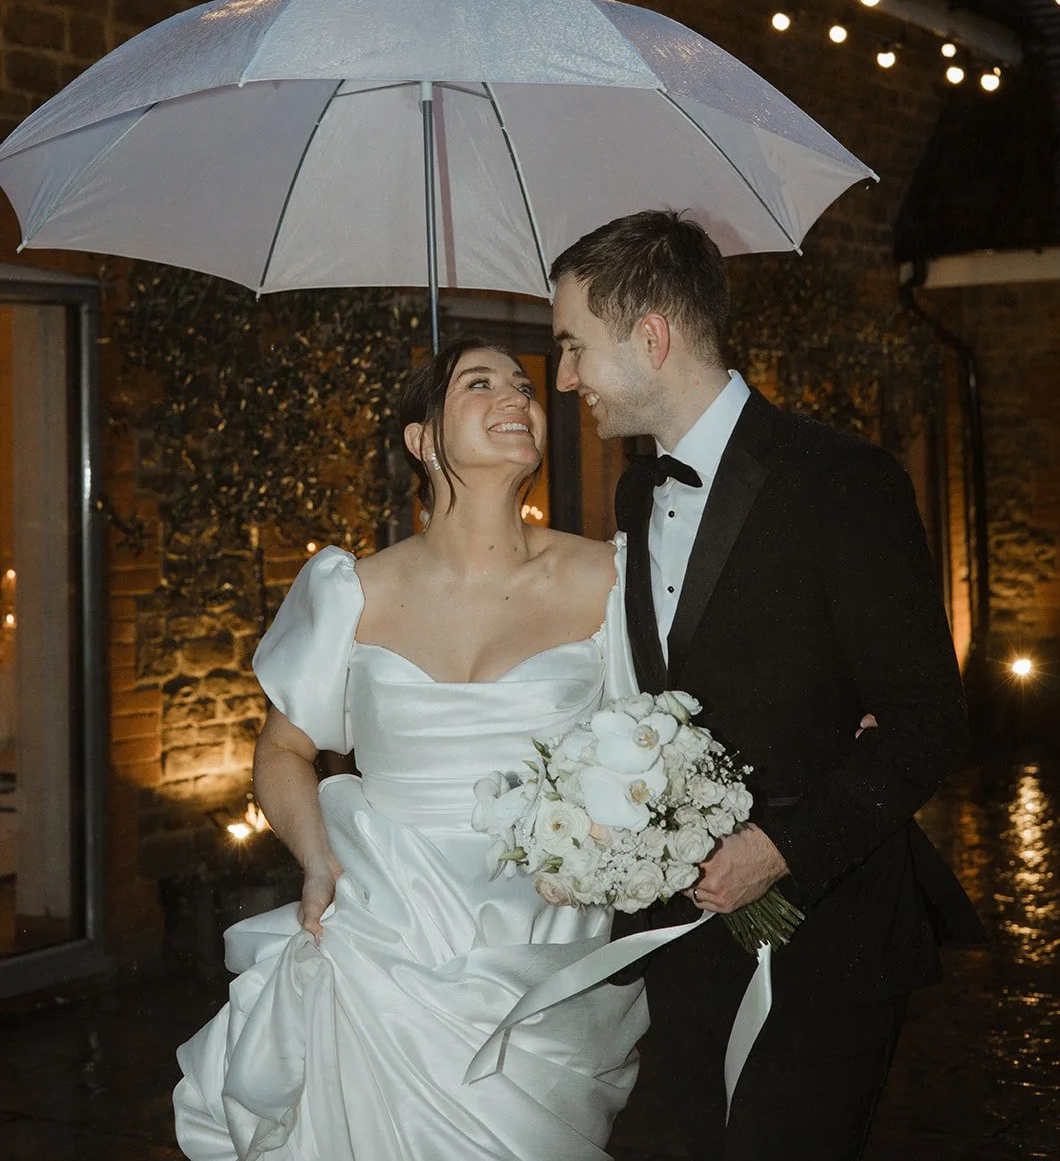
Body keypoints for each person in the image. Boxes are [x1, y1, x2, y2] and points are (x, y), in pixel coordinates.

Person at [550, 210, 984, 1161]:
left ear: (652, 337)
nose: (564, 377)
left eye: (574, 346)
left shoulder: (843, 481)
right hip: (680, 937)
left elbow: (926, 721)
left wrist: (780, 848)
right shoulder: (632, 493)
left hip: (828, 935)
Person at [173, 338, 648, 1161]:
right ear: (420, 441)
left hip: (537, 943)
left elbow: (655, 741)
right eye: (478, 382)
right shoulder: (353, 590)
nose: (516, 397)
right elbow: (283, 750)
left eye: (523, 386)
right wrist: (318, 862)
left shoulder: (607, 578)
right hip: (376, 944)